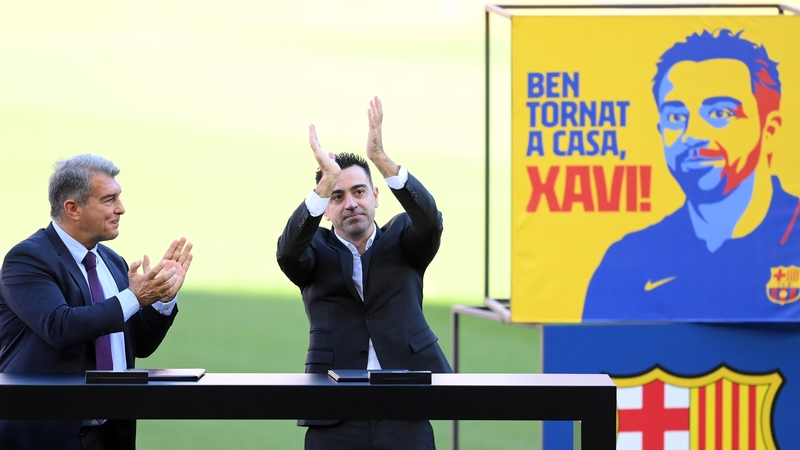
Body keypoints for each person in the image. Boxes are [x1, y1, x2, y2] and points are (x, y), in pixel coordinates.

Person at [583, 29, 800, 321]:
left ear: (769, 128)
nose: (693, 134)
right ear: (660, 130)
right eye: (676, 116)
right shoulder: (627, 263)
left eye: (720, 113)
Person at [277, 96, 452, 449]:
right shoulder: (315, 249)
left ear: (375, 195)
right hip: (334, 408)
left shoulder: (403, 237)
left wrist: (381, 159)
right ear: (326, 209)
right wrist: (320, 187)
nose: (351, 203)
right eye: (337, 197)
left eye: (359, 192)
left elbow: (430, 221)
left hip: (405, 404)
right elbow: (288, 253)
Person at [0, 154, 193, 449]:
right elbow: (59, 326)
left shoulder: (111, 261)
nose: (121, 208)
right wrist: (134, 297)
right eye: (108, 199)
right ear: (73, 208)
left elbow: (138, 344)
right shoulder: (27, 260)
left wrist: (161, 299)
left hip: (110, 436)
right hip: (46, 435)